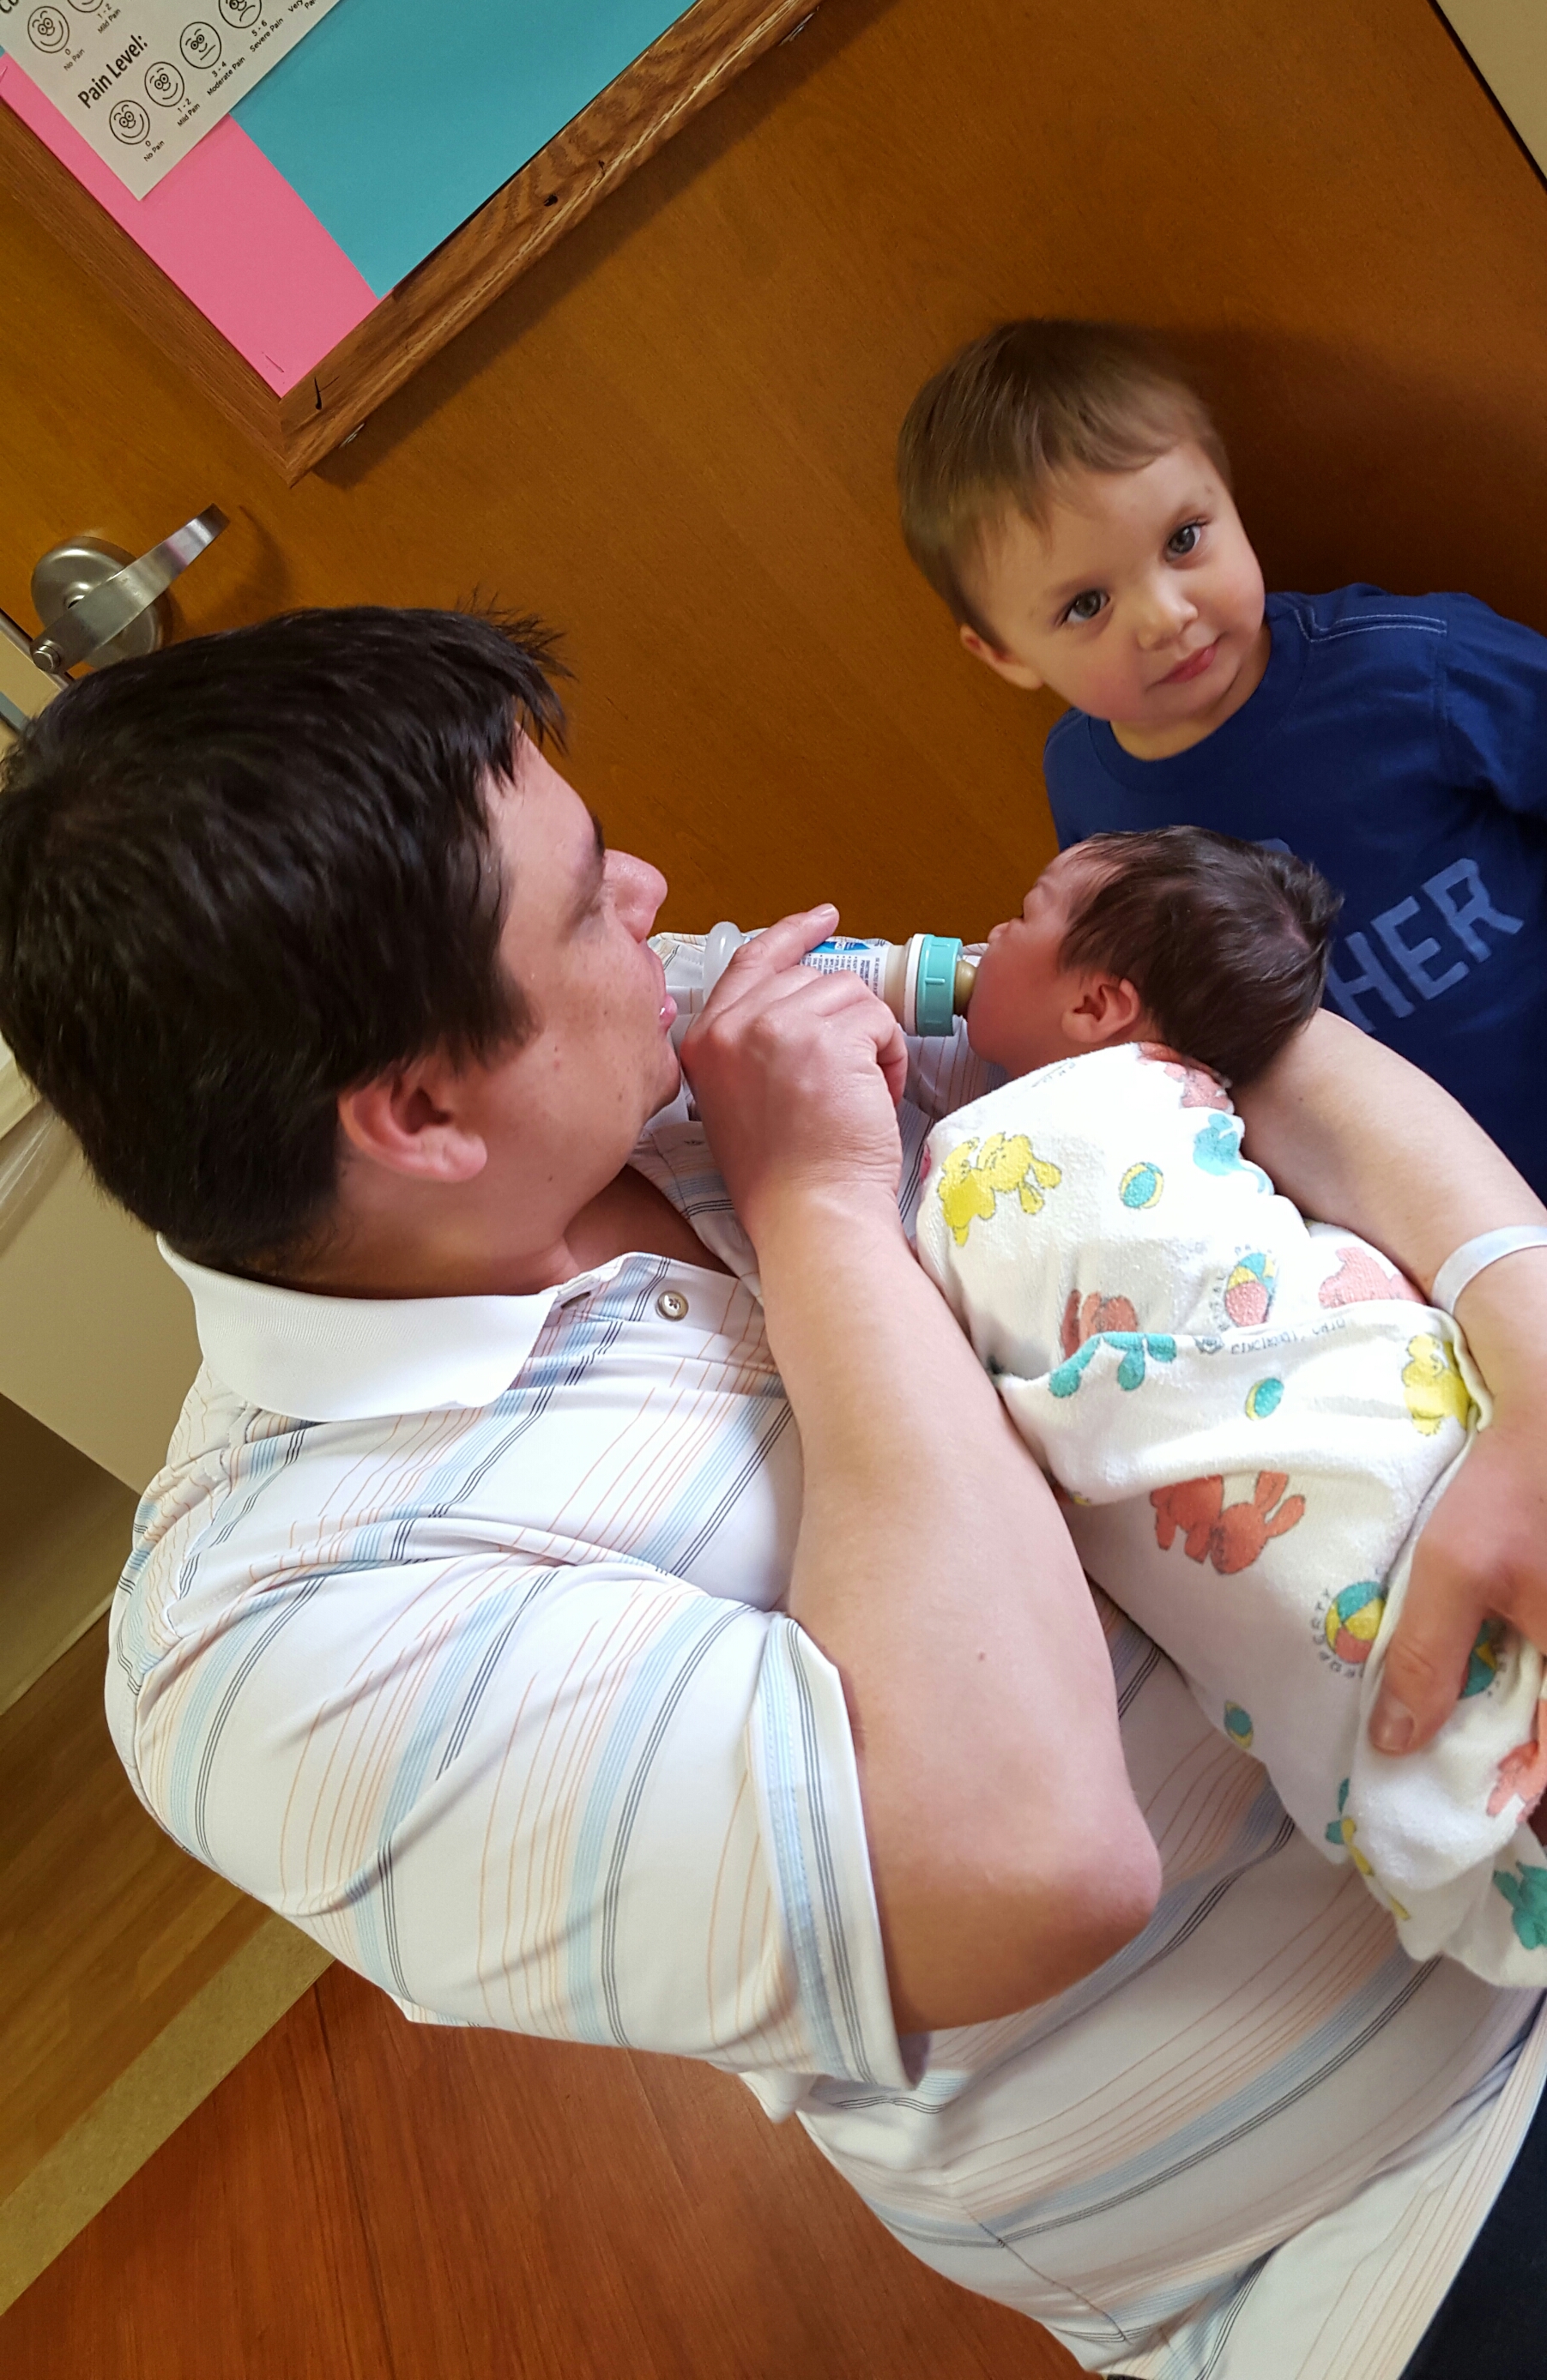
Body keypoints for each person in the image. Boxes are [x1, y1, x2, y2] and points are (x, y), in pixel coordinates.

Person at [3, 608, 1547, 2380]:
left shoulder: (662, 1024)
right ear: (420, 1110)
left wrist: (1520, 1315)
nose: (657, 900)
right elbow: (1029, 1857)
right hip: (1380, 2207)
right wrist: (814, 1207)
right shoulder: (265, 1646)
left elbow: (1207, 1030)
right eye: (586, 900)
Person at [912, 823, 1547, 1986]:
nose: (986, 935)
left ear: (1098, 1005)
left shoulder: (1018, 1146)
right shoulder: (1154, 1108)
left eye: (1023, 912)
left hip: (1388, 1442)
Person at [895, 318, 1547, 1197]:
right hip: (1385, 1210)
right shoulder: (1087, 790)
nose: (1166, 616)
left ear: (1224, 490)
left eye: (1183, 539)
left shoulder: (1416, 667)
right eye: (1086, 603)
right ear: (1005, 654)